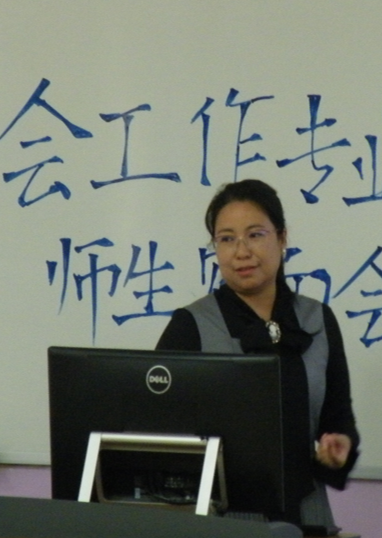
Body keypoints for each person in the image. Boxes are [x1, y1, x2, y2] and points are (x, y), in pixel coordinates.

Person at [156, 179, 359, 528]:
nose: (241, 251)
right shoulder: (191, 325)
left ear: (282, 238)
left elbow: (337, 419)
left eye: (255, 235)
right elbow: (158, 436)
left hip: (308, 518)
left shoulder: (317, 320)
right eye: (226, 239)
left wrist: (339, 448)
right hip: (220, 522)